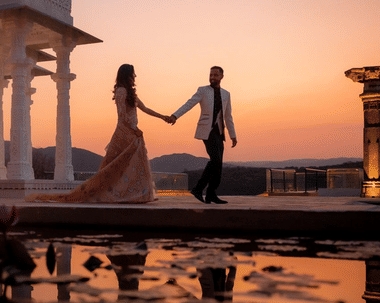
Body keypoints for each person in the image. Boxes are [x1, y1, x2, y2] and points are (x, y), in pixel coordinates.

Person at [29, 64, 172, 203]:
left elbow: (145, 108)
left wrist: (162, 116)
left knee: (134, 165)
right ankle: (116, 193)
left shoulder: (130, 93)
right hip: (125, 132)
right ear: (126, 75)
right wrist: (133, 129)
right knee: (115, 165)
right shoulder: (121, 91)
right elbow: (122, 115)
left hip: (133, 132)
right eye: (132, 74)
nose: (134, 77)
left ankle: (139, 194)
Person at [167, 66, 237, 204]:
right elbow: (189, 104)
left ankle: (211, 194)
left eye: (215, 75)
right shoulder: (203, 90)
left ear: (222, 76)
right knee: (215, 160)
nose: (212, 77)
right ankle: (198, 189)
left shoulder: (226, 94)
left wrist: (232, 135)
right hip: (207, 131)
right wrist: (175, 116)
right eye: (211, 75)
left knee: (218, 164)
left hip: (219, 132)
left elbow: (228, 117)